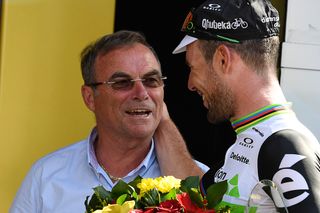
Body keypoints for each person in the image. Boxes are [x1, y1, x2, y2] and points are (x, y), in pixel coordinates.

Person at [10, 30, 209, 213]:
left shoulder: (199, 179)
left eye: (151, 81)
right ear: (90, 98)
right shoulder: (46, 176)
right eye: (122, 83)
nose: (141, 93)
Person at [156, 0, 320, 212]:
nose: (190, 84)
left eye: (193, 68)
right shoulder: (247, 145)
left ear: (223, 59)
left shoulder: (283, 145)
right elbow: (191, 192)